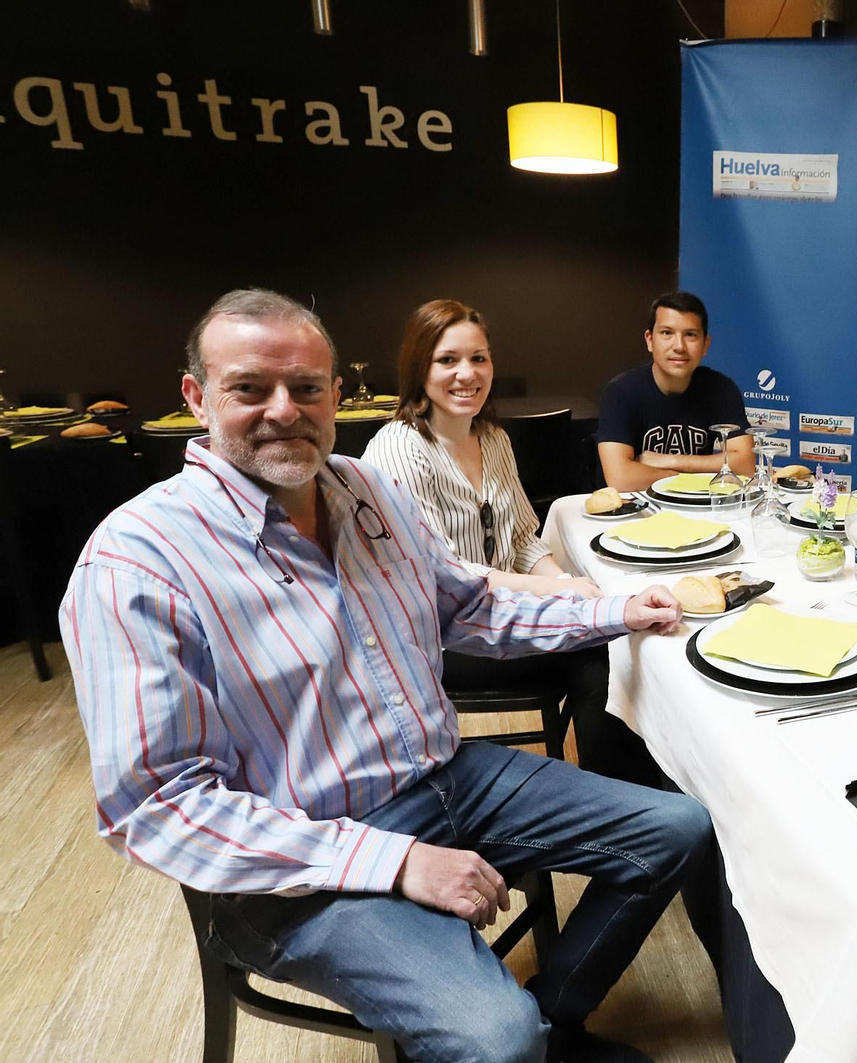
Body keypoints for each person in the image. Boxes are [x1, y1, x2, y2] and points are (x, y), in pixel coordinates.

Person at [62, 288, 711, 1063]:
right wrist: (395, 860)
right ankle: (519, 1039)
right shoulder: (137, 559)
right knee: (494, 1038)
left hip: (444, 777)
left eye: (306, 388)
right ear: (197, 398)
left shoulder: (368, 492)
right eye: (249, 388)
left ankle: (553, 1020)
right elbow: (157, 805)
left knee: (678, 828)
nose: (283, 409)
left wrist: (616, 612)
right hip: (297, 865)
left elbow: (471, 609)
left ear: (336, 395)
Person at [363, 299, 658, 787]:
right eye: (448, 360)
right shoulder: (399, 447)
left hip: (509, 616)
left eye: (478, 358)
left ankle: (637, 806)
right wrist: (559, 594)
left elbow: (522, 537)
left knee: (613, 635)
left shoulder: (493, 438)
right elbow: (447, 574)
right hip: (448, 636)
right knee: (603, 656)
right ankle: (622, 811)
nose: (467, 373)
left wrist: (562, 580)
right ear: (419, 369)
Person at [596, 290, 753, 492]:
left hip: (697, 508)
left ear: (705, 344)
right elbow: (622, 478)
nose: (679, 346)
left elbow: (745, 464)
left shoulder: (722, 389)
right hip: (634, 511)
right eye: (667, 333)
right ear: (650, 340)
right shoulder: (620, 392)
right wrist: (695, 477)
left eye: (690, 335)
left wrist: (666, 460)